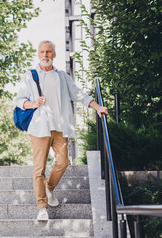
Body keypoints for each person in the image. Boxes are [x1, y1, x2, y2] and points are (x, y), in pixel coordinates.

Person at [14, 40, 108, 221]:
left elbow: (78, 94)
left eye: (49, 52)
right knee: (39, 169)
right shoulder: (30, 76)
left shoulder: (62, 76)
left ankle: (49, 188)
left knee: (63, 162)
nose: (45, 55)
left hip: (59, 127)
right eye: (42, 52)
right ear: (38, 54)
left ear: (54, 54)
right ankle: (42, 207)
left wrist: (97, 107)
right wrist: (33, 103)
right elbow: (19, 100)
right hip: (40, 128)